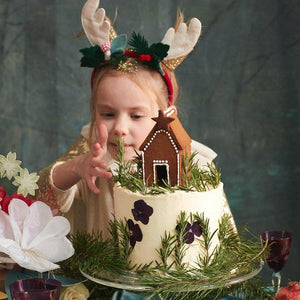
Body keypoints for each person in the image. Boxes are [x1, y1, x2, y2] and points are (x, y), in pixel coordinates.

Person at [36, 0, 217, 239]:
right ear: (94, 110)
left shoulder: (188, 161)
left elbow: (212, 231)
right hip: (99, 271)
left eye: (136, 115)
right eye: (108, 114)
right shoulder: (92, 156)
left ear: (164, 116)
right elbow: (40, 195)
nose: (120, 128)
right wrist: (75, 168)